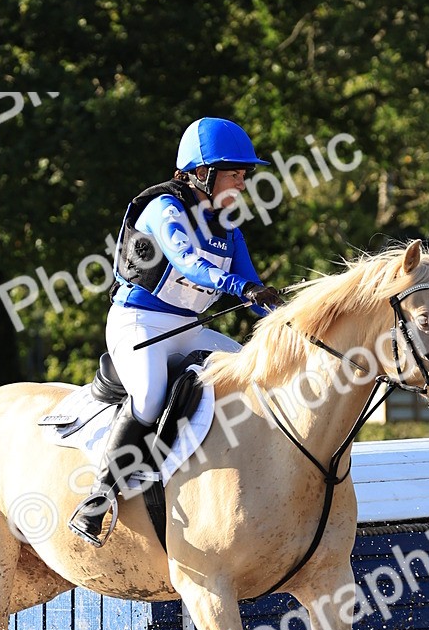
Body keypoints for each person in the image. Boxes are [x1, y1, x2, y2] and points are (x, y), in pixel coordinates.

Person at [68, 117, 280, 547]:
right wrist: (243, 288)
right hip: (139, 323)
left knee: (252, 375)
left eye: (244, 176)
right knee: (147, 398)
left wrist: (285, 315)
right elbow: (187, 264)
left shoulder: (227, 228)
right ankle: (99, 497)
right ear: (203, 173)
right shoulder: (164, 209)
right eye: (234, 175)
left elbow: (253, 283)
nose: (241, 185)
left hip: (189, 328)